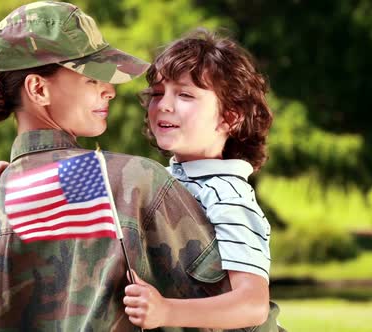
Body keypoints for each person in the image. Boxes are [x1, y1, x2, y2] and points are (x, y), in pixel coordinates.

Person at [0, 2, 229, 332]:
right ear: (38, 89)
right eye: (91, 78)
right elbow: (238, 316)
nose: (110, 90)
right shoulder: (136, 183)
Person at [120, 28, 284, 330]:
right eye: (157, 94)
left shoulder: (226, 195)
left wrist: (166, 311)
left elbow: (252, 304)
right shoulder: (163, 182)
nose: (164, 105)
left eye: (184, 94)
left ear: (229, 118)